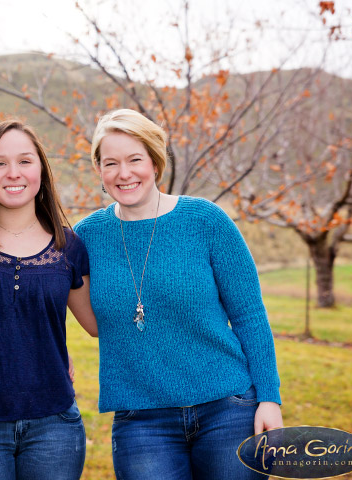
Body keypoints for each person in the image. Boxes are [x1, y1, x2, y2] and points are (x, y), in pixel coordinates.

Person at [73, 108, 283, 480]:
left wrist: (269, 398)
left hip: (227, 408)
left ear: (155, 163)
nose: (124, 173)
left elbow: (249, 314)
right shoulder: (86, 237)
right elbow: (87, 319)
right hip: (142, 420)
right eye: (111, 163)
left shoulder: (206, 220)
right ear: (99, 170)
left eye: (135, 159)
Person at [0, 120, 97, 479]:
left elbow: (97, 324)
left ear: (41, 168)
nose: (13, 173)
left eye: (25, 161)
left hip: (53, 425)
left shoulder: (69, 246)